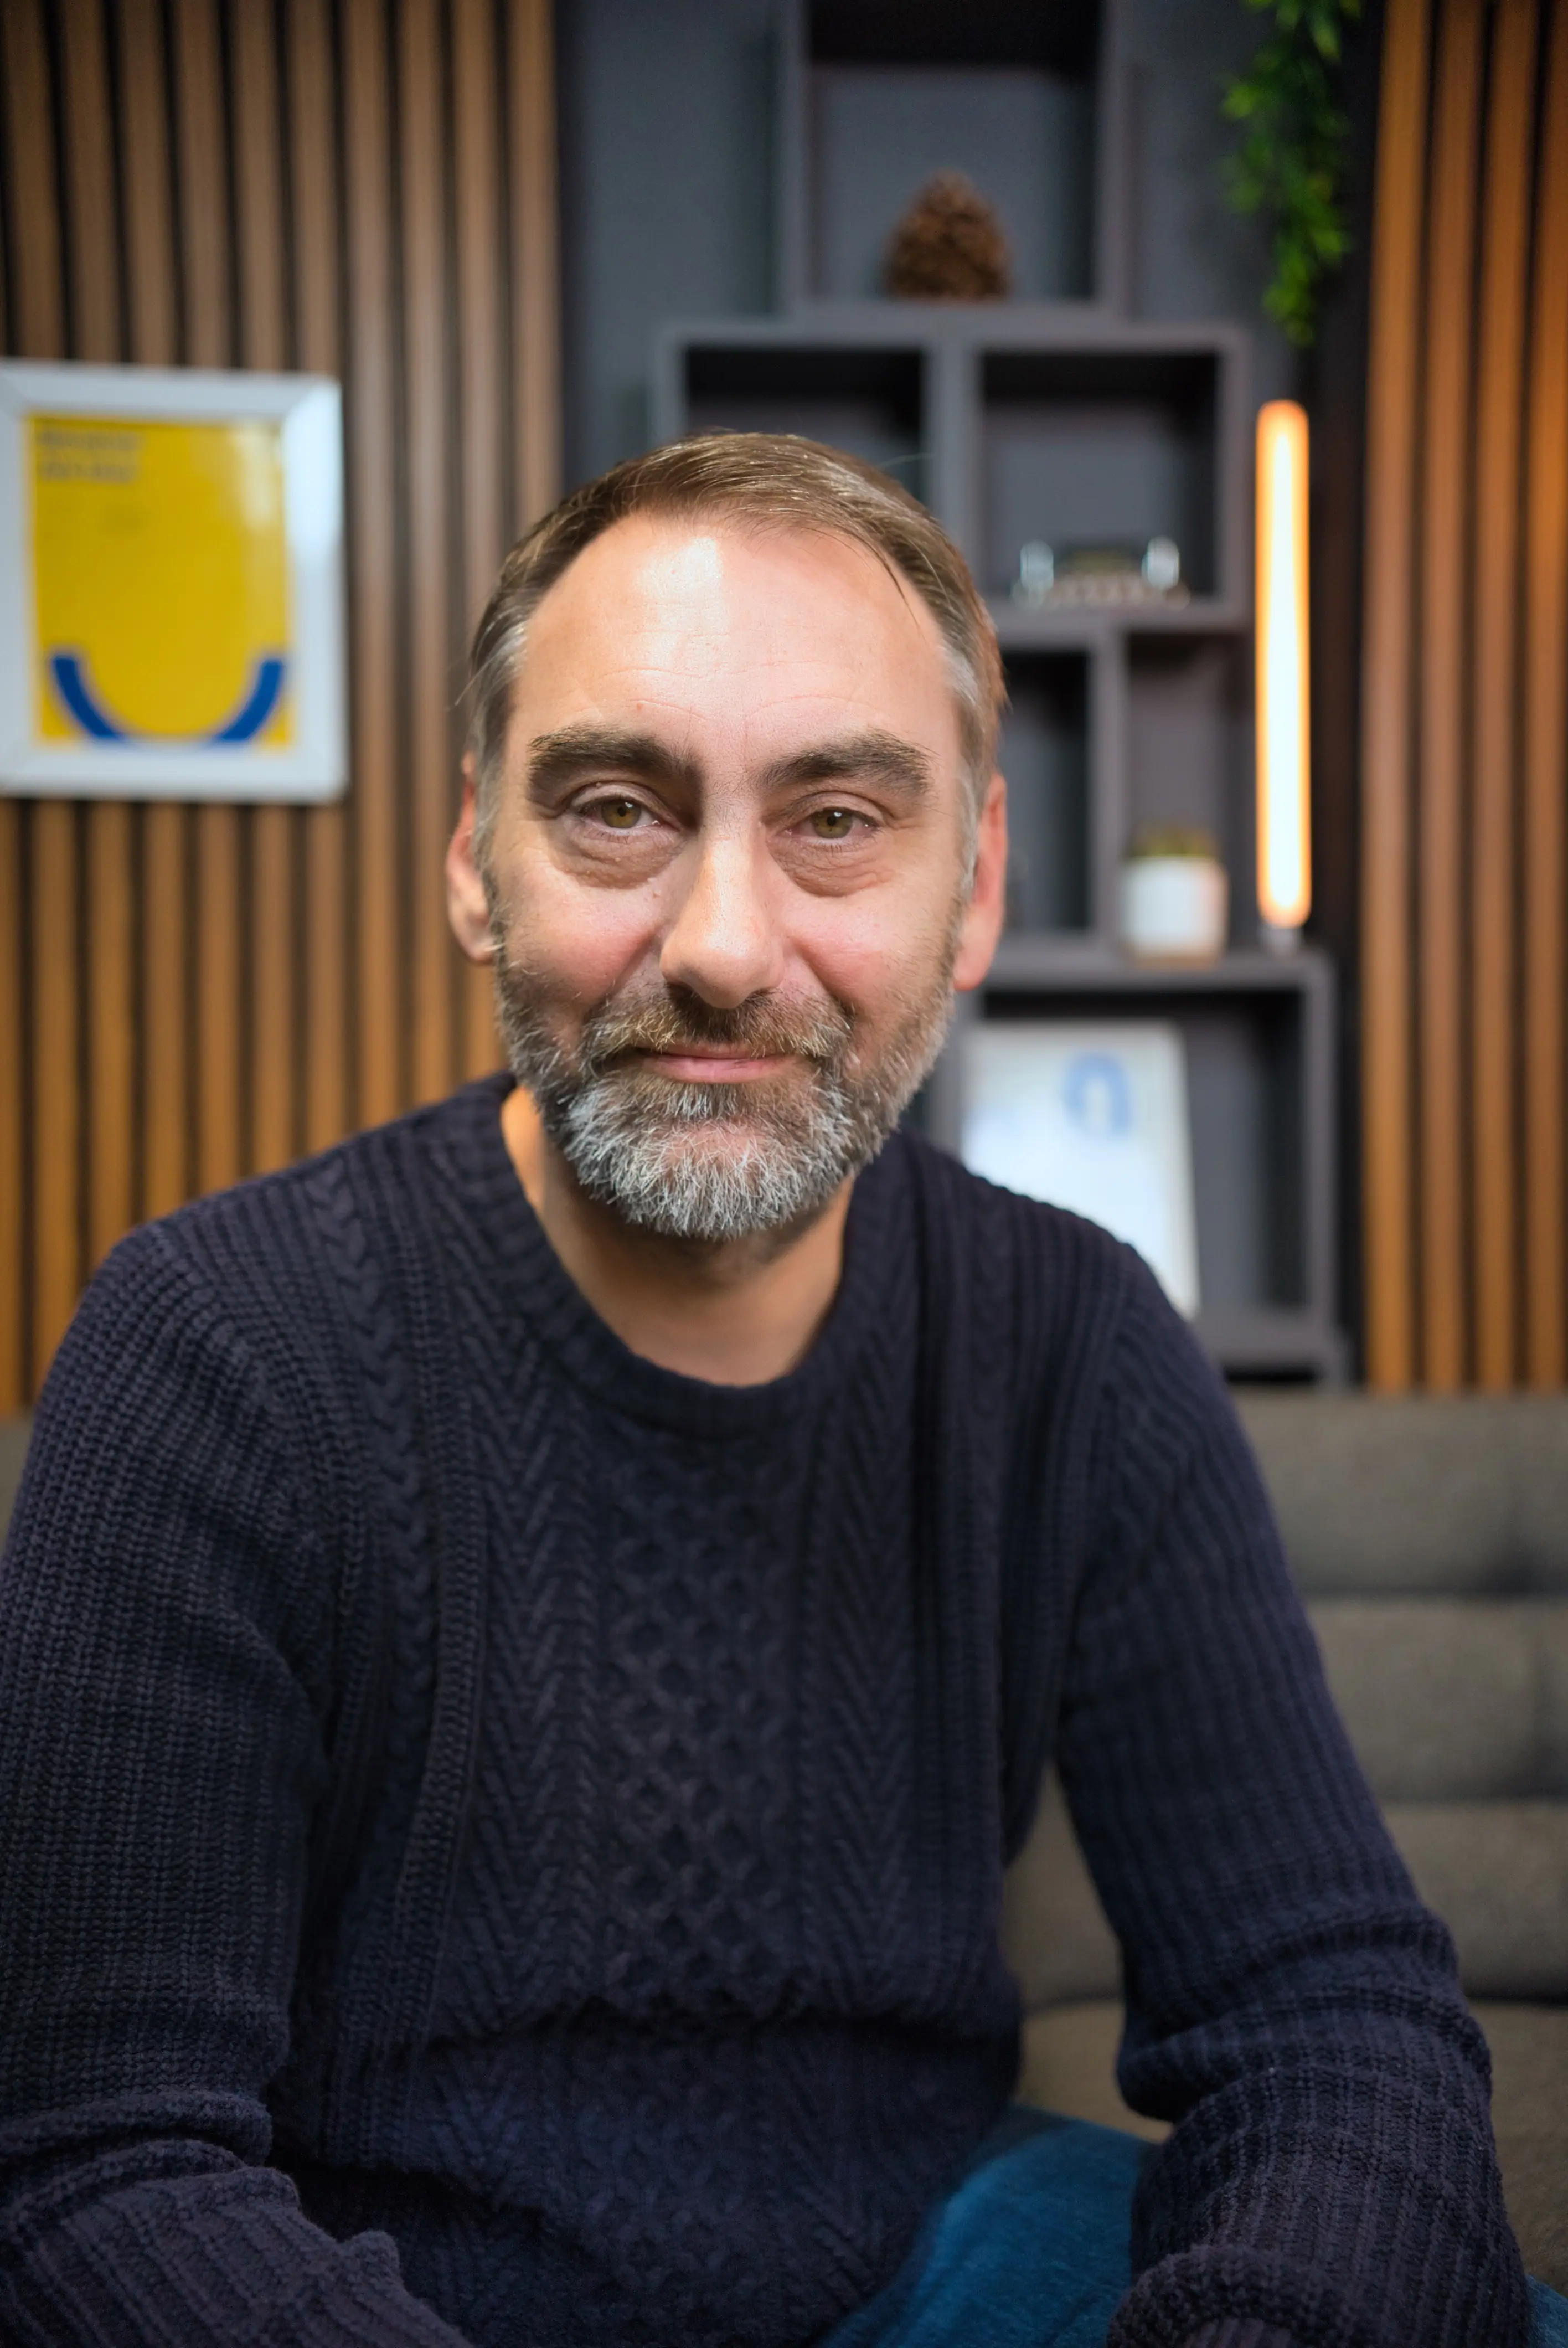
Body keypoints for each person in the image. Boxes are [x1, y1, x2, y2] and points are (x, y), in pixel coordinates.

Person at [0, 434, 1559, 2348]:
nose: (727, 948)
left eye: (836, 817)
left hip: (938, 2268)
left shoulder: (1075, 1341)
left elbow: (1337, 2016)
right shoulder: (211, 1354)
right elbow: (94, 2166)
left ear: (971, 892)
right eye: (614, 809)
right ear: (475, 859)